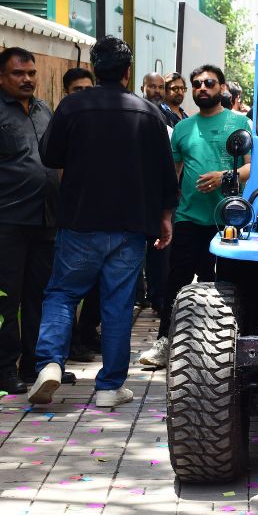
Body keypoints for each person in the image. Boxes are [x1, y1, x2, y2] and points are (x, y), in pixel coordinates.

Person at [28, 36, 178, 407]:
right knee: (118, 304)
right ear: (128, 72)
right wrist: (165, 217)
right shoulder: (149, 113)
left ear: (95, 70)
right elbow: (165, 173)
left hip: (80, 220)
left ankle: (49, 363)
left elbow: (49, 155)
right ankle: (110, 387)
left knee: (62, 293)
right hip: (131, 225)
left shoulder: (72, 105)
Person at [138, 64, 251, 367]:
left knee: (226, 284)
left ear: (222, 87)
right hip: (188, 218)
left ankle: (228, 350)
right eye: (197, 84)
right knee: (177, 281)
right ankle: (165, 342)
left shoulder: (240, 123)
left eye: (209, 83)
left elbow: (252, 167)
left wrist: (224, 176)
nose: (203, 88)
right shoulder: (183, 128)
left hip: (228, 221)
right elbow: (173, 174)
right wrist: (165, 214)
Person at [0, 47, 75, 394]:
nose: (27, 79)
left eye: (31, 73)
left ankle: (34, 364)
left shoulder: (44, 110)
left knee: (41, 296)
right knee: (7, 299)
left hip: (47, 218)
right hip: (8, 220)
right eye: (19, 73)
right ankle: (5, 369)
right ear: (2, 77)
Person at [59, 68, 101, 362]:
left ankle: (87, 333)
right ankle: (69, 342)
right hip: (69, 216)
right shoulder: (63, 119)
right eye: (77, 90)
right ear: (66, 93)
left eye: (88, 89)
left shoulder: (103, 121)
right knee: (69, 284)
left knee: (97, 282)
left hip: (100, 216)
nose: (84, 95)